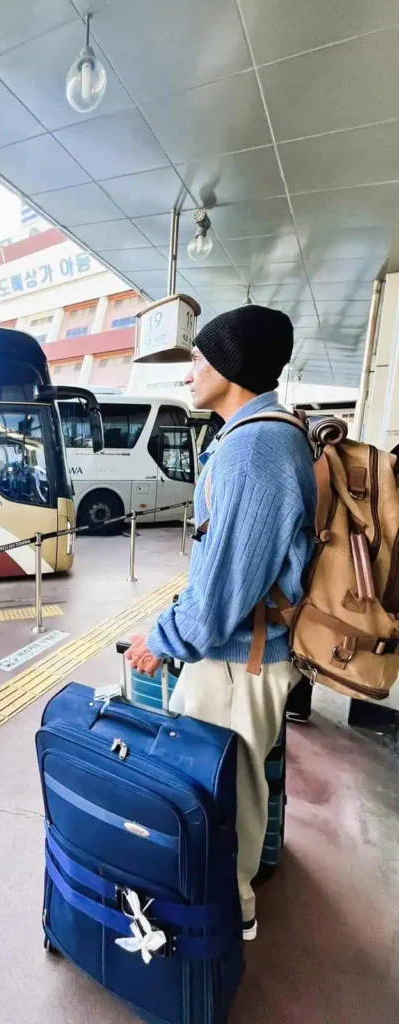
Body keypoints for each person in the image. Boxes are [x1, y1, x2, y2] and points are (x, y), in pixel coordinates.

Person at [125, 305, 316, 941]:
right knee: (229, 789)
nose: (189, 372)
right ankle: (222, 908)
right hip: (243, 655)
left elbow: (217, 598)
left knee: (218, 799)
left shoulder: (255, 448)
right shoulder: (255, 435)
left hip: (238, 661)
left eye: (200, 358)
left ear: (232, 367)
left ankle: (222, 927)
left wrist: (160, 639)